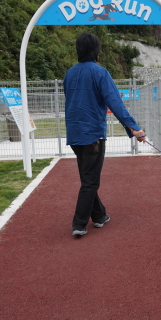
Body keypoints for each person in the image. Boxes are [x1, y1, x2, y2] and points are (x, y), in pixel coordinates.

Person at [63, 32, 146, 237]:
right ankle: (79, 224)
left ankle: (99, 216)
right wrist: (134, 128)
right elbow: (114, 102)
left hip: (74, 135)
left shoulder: (69, 73)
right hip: (92, 135)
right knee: (90, 182)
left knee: (87, 178)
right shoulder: (100, 73)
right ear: (97, 53)